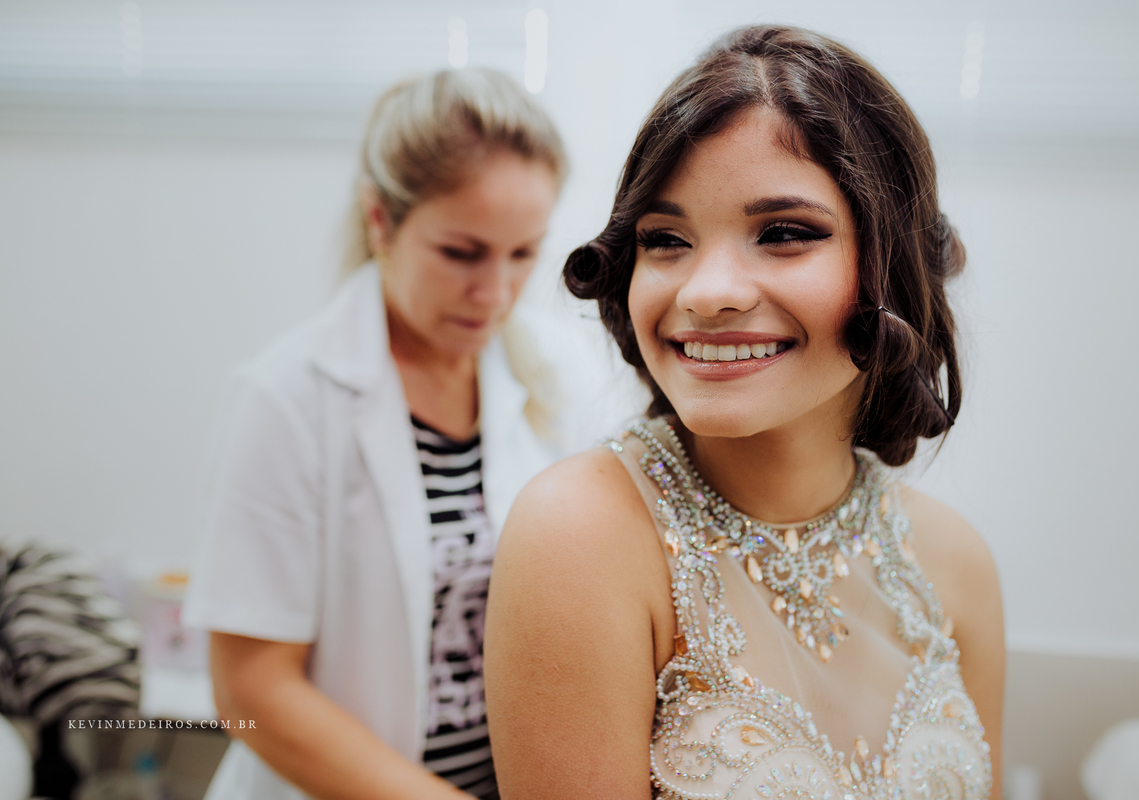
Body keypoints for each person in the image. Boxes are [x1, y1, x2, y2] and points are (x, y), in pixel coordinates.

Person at [484, 25, 1004, 800]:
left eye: (784, 233)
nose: (706, 291)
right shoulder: (579, 535)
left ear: (892, 264)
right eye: (667, 240)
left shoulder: (955, 561)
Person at [183, 67, 567, 800]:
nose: (496, 293)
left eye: (523, 254)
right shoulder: (287, 399)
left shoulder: (554, 370)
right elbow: (252, 692)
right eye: (462, 253)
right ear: (380, 220)